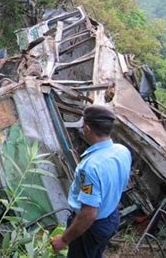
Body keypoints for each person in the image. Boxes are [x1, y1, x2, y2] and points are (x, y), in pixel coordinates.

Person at [51, 105, 132, 258]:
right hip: (111, 217)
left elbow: (88, 214)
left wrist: (64, 239)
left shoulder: (91, 167)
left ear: (87, 128)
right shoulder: (122, 151)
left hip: (91, 227)